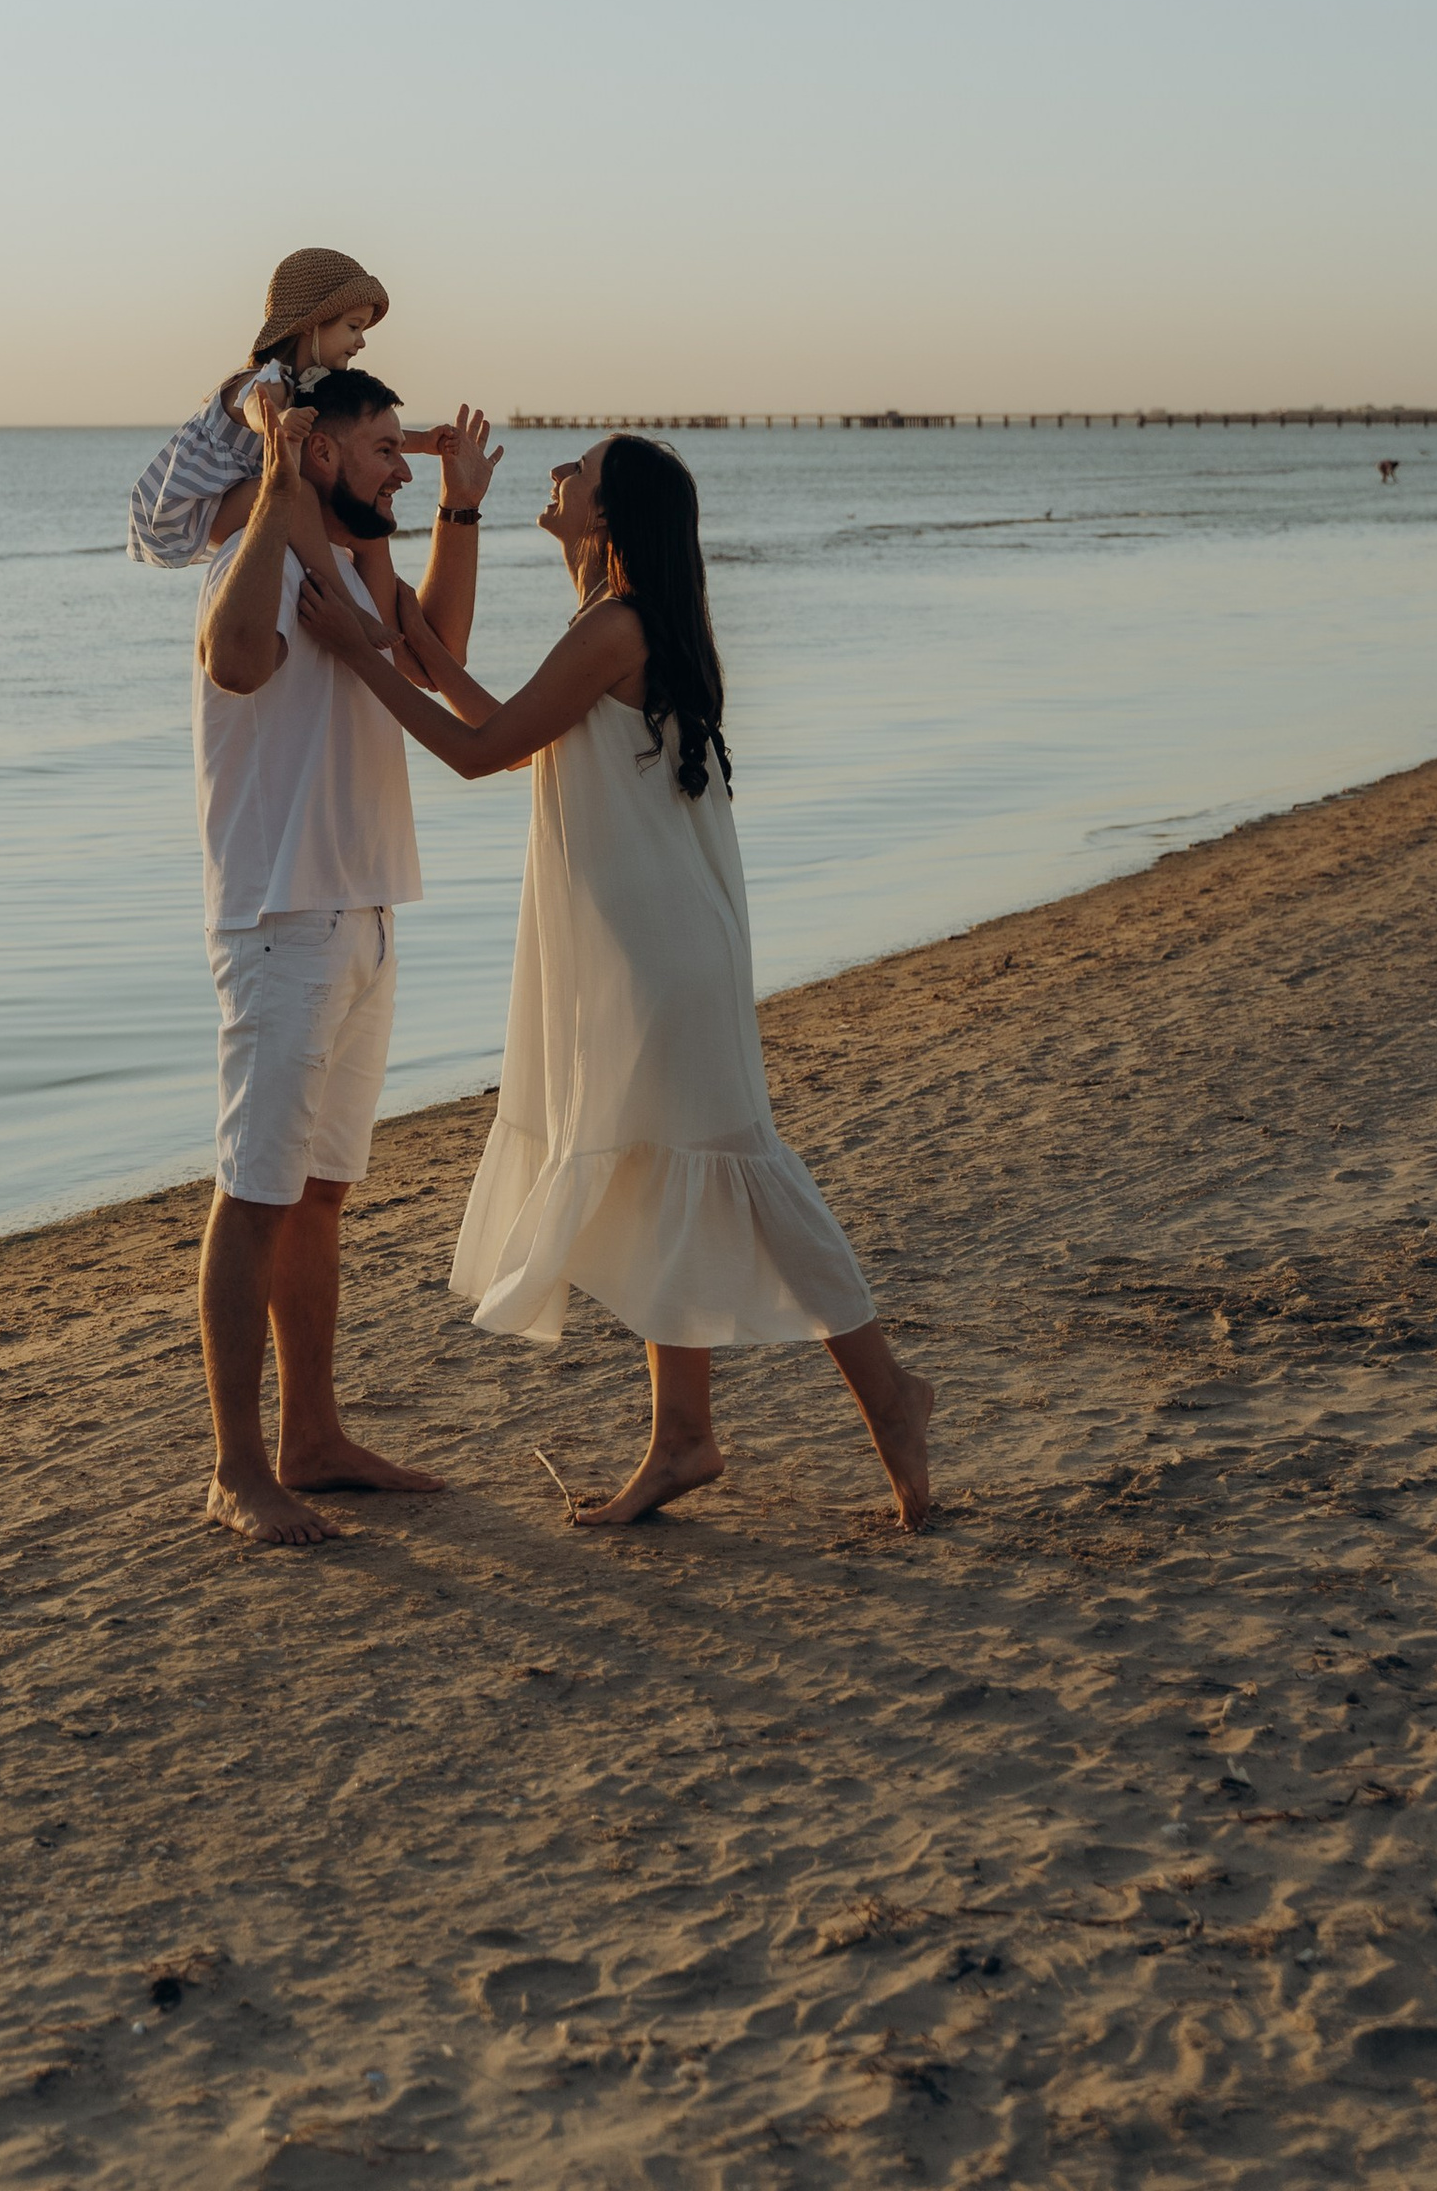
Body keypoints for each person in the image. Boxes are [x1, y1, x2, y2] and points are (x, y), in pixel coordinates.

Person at [300, 434, 933, 1533]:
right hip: (656, 942)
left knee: (739, 1170)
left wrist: (365, 654)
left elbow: (481, 752)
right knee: (654, 1170)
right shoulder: (620, 617)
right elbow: (525, 735)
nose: (558, 471)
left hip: (658, 952)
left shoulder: (613, 627)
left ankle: (889, 1395)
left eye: (579, 469)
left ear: (611, 513)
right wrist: (412, 636)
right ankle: (682, 1436)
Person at [193, 368, 503, 1544]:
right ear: (319, 452)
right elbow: (233, 661)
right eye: (383, 450)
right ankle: (236, 1469)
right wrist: (277, 479)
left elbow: (437, 652)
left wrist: (458, 508)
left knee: (318, 1192)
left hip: (364, 909)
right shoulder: (263, 558)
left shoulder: (356, 569)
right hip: (282, 918)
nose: (397, 470)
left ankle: (311, 1439)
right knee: (255, 1192)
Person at [128, 246, 403, 571]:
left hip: (242, 492)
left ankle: (365, 581)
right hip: (206, 507)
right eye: (353, 327)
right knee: (302, 495)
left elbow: (361, 438)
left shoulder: (304, 388)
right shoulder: (268, 380)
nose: (361, 341)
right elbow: (255, 407)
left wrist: (425, 442)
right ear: (311, 323)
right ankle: (337, 590)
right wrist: (278, 420)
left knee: (345, 504)